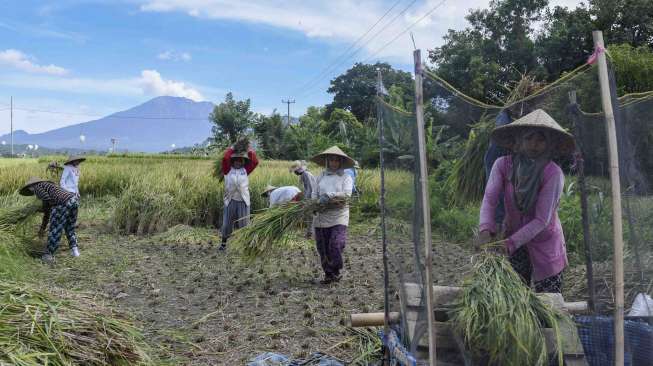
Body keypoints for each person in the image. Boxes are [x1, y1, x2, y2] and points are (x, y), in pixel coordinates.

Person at [476, 109, 575, 293]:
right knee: (515, 297)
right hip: (514, 240)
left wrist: (509, 243)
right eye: (528, 138)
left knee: (547, 306)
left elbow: (541, 220)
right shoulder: (503, 165)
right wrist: (485, 229)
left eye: (540, 139)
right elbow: (490, 200)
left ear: (549, 144)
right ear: (518, 141)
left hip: (545, 244)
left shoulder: (553, 173)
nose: (533, 144)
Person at [311, 146, 354, 285]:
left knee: (335, 244)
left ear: (341, 162)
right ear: (327, 161)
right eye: (331, 160)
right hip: (322, 216)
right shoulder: (320, 177)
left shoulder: (346, 177)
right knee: (322, 248)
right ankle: (329, 274)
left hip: (339, 215)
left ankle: (336, 268)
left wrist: (329, 196)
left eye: (337, 160)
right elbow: (314, 194)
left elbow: (346, 195)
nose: (334, 163)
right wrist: (314, 204)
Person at [19, 177, 81, 262]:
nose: (32, 192)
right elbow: (48, 209)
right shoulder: (49, 186)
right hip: (73, 200)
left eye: (30, 190)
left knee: (55, 229)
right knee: (69, 227)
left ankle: (48, 255)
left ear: (30, 187)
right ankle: (75, 252)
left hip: (62, 203)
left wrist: (39, 209)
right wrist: (43, 227)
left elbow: (47, 200)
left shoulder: (37, 187)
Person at [220, 145, 259, 251]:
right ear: (232, 161)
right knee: (227, 224)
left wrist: (248, 149)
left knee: (244, 224)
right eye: (236, 160)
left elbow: (255, 162)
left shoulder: (246, 170)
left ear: (243, 162)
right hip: (230, 200)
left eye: (240, 160)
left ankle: (246, 245)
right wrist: (232, 148)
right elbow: (225, 158)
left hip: (243, 200)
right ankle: (223, 244)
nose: (238, 162)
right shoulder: (227, 170)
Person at [289, 160, 318, 238]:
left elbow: (310, 187)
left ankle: (311, 233)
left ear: (299, 170)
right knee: (310, 215)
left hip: (312, 197)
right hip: (311, 196)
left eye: (295, 171)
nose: (295, 173)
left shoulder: (306, 174)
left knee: (310, 215)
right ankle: (310, 232)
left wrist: (306, 199)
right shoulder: (304, 174)